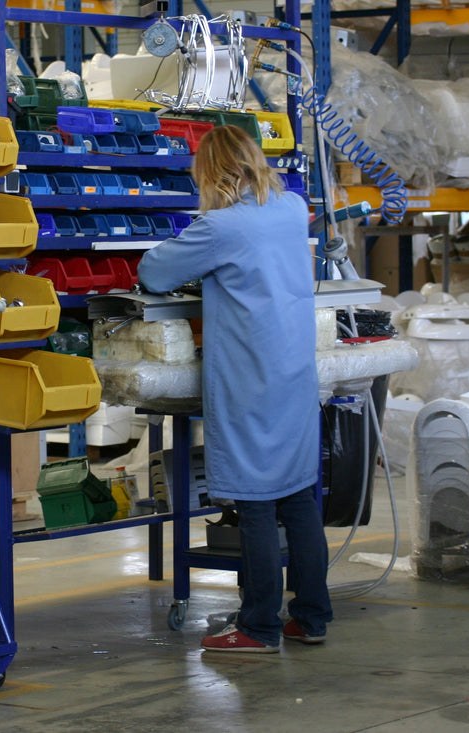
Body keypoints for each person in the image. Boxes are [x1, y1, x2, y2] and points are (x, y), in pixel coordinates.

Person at [137, 124, 332, 653]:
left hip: (250, 379)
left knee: (256, 503)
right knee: (298, 497)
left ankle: (259, 627)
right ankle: (311, 618)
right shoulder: (291, 208)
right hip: (294, 373)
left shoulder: (221, 226)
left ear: (211, 172)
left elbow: (154, 272)